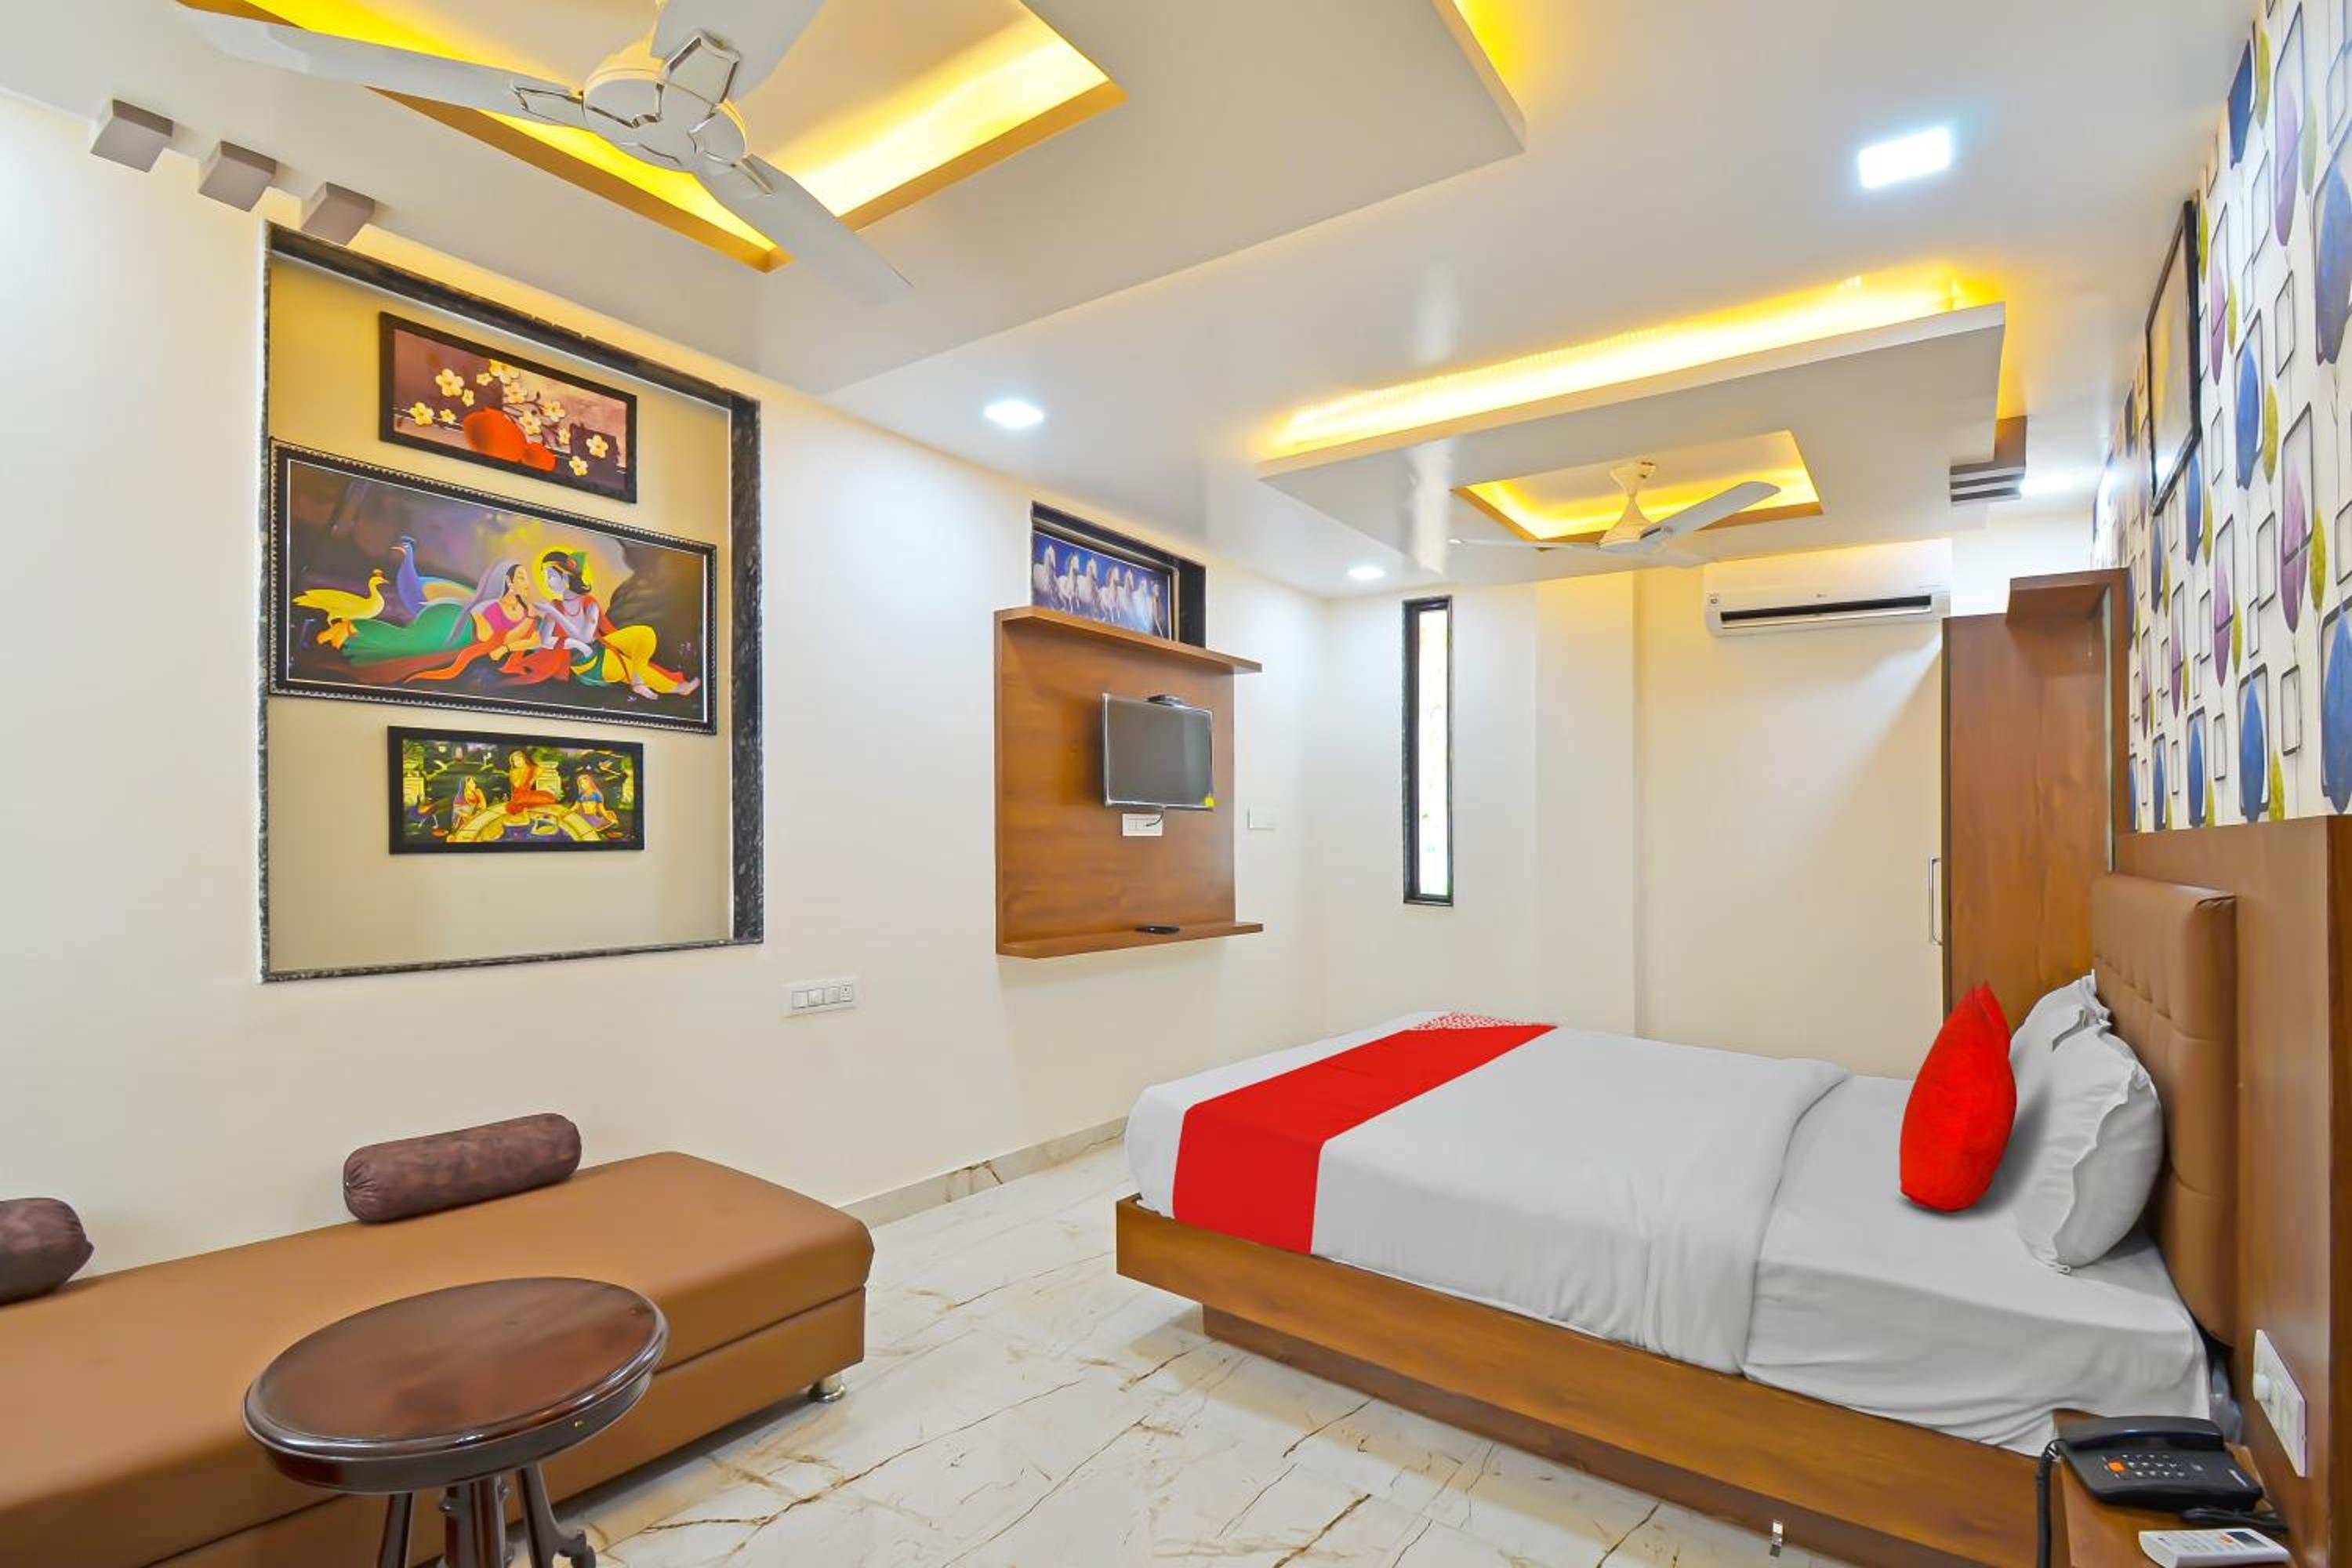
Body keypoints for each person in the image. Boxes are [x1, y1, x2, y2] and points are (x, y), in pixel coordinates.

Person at [529, 550, 701, 702]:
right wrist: (572, 643)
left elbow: (586, 637)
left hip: (599, 646)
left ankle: (638, 681)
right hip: (589, 664)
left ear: (566, 577)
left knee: (645, 634)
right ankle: (679, 688)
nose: (547, 581)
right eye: (545, 577)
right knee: (631, 668)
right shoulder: (553, 607)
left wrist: (558, 617)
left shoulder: (588, 603)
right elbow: (545, 641)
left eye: (550, 576)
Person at [503, 750, 557, 815]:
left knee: (548, 797)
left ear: (524, 759)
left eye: (519, 759)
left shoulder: (530, 768)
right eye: (515, 761)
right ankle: (524, 807)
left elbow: (540, 769)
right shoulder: (514, 771)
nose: (517, 762)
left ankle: (527, 807)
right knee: (512, 807)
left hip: (527, 793)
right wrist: (522, 774)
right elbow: (517, 785)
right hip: (518, 796)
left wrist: (533, 779)